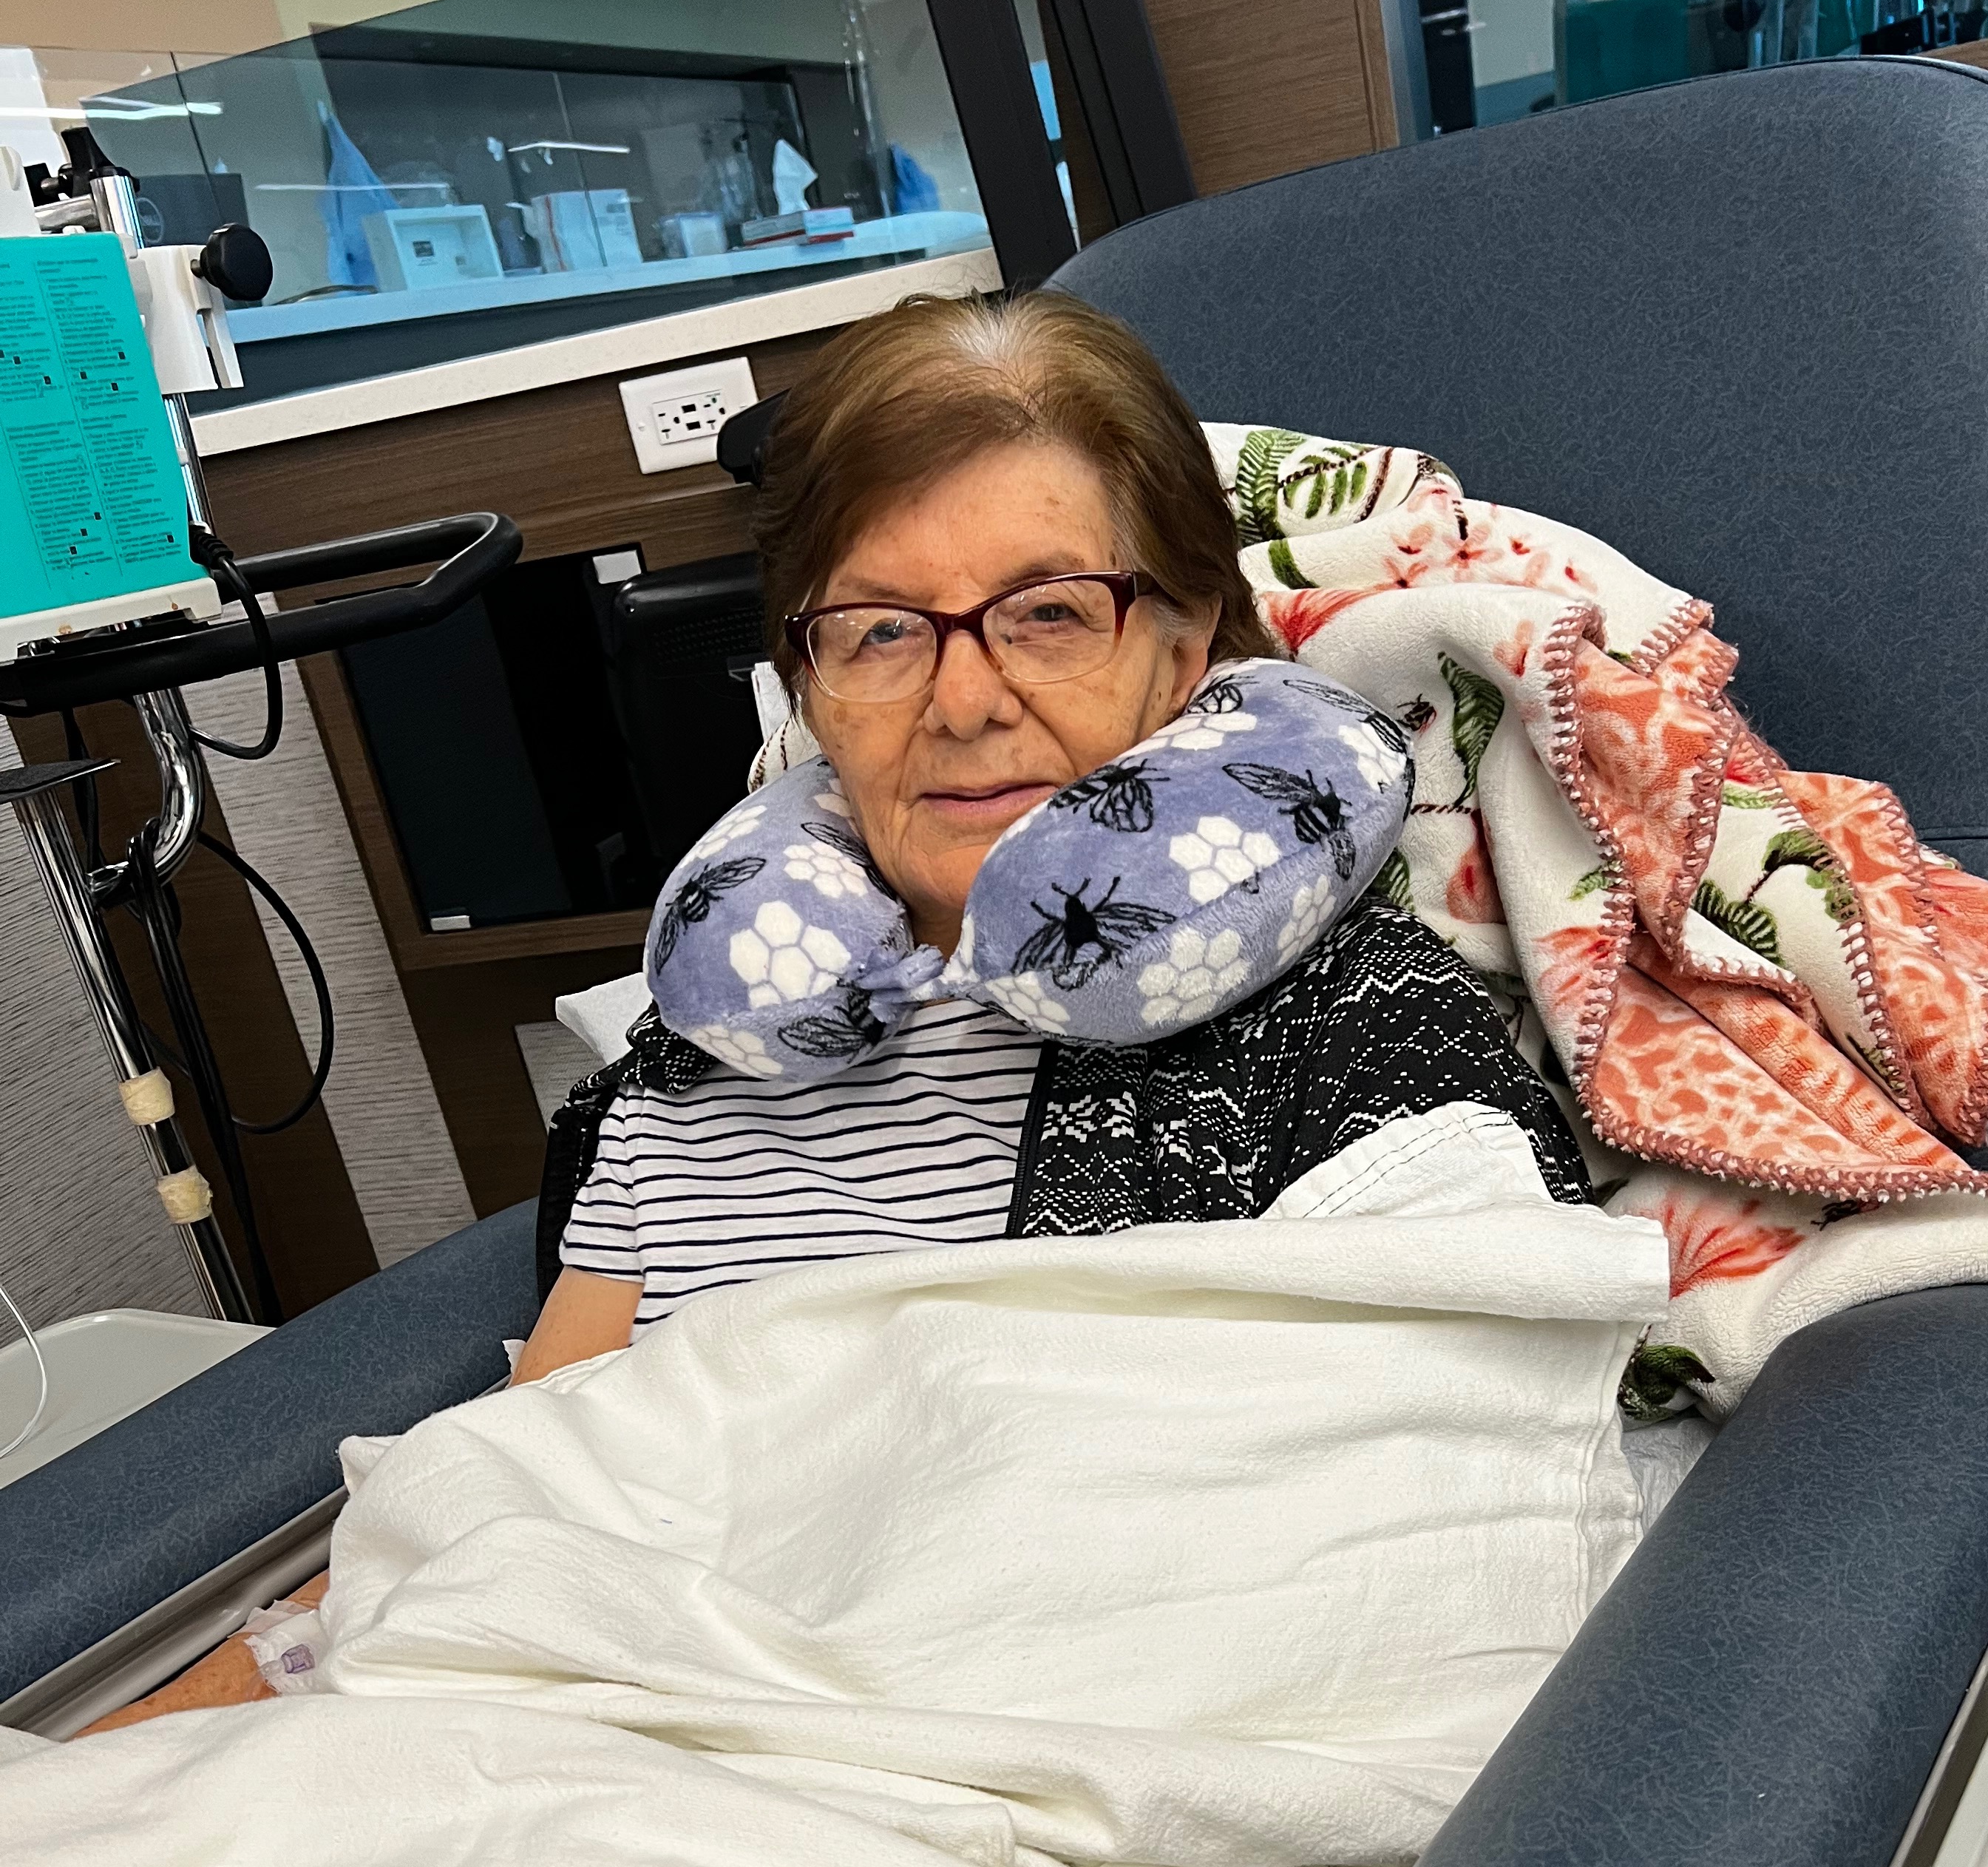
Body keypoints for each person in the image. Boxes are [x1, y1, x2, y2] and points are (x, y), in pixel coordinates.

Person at [86, 287, 1586, 1740]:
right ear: (805, 685)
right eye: (878, 633)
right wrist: (203, 1715)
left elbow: (1442, 1567)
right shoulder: (702, 1058)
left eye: (1049, 615)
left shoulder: (1354, 1025)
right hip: (594, 1726)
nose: (964, 700)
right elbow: (517, 1480)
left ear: (1185, 652)